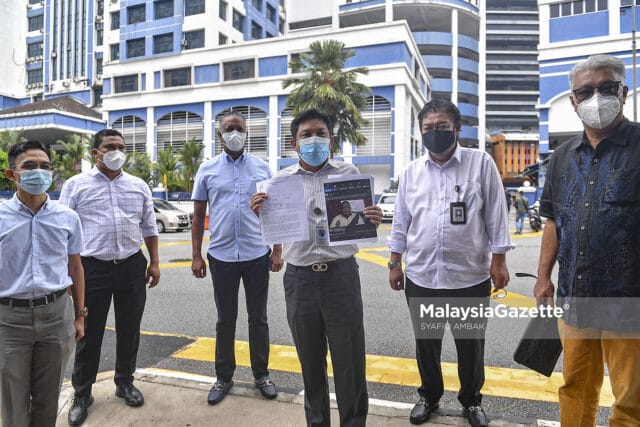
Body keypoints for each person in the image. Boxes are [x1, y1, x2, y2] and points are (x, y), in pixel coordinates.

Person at [250, 108, 383, 426]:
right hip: (300, 279)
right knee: (310, 363)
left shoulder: (348, 173)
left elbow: (362, 219)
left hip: (341, 276)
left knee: (349, 361)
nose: (314, 139)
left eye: (320, 133)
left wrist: (372, 218)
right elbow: (276, 231)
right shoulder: (278, 183)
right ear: (294, 145)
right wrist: (261, 214)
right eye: (306, 135)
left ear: (331, 140)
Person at [387, 99, 511, 427]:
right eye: (428, 128)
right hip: (423, 277)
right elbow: (401, 222)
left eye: (442, 127)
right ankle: (429, 395)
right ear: (420, 132)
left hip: (469, 277)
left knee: (470, 346)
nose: (435, 133)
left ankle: (471, 401)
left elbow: (496, 214)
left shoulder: (480, 164)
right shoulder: (411, 173)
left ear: (457, 128)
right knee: (427, 345)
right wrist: (394, 263)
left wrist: (499, 260)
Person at [534, 54, 640, 426]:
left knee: (631, 398)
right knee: (575, 386)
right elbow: (552, 221)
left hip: (630, 302)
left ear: (623, 92)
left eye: (606, 87)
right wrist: (543, 277)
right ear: (574, 101)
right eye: (585, 91)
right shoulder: (561, 158)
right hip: (575, 297)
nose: (596, 97)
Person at [60, 129, 161, 426]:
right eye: (110, 146)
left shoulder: (138, 185)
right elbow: (62, 232)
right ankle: (82, 393)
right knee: (88, 333)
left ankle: (124, 383)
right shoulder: (75, 186)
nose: (116, 151)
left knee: (130, 329)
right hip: (92, 269)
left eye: (121, 146)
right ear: (96, 153)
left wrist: (154, 263)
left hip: (131, 265)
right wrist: (66, 274)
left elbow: (149, 226)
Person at [191, 111, 283, 405]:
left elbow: (275, 211)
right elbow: (198, 215)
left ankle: (261, 375)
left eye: (239, 129)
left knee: (258, 318)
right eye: (229, 129)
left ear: (247, 133)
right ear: (220, 135)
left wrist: (277, 250)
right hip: (222, 256)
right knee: (225, 320)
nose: (235, 133)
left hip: (257, 254)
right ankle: (223, 377)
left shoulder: (262, 168)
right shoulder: (207, 170)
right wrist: (196, 255)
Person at [0, 141, 86, 427]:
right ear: (12, 174)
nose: (39, 172)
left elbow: (75, 267)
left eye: (45, 166)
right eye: (29, 166)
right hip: (8, 320)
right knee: (13, 404)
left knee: (49, 401)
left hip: (55, 315)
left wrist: (79, 316)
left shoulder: (68, 217)